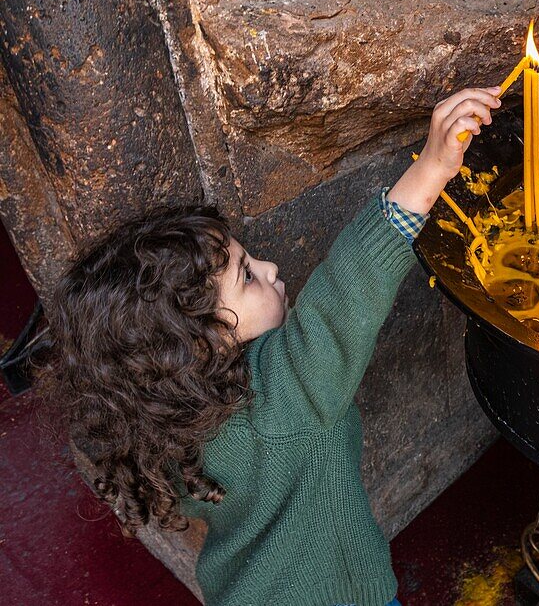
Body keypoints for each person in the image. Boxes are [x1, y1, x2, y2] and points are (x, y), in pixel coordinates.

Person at [39, 87, 501, 606]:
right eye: (247, 275)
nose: (270, 268)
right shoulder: (283, 398)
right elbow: (349, 288)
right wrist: (434, 166)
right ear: (202, 342)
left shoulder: (162, 417)